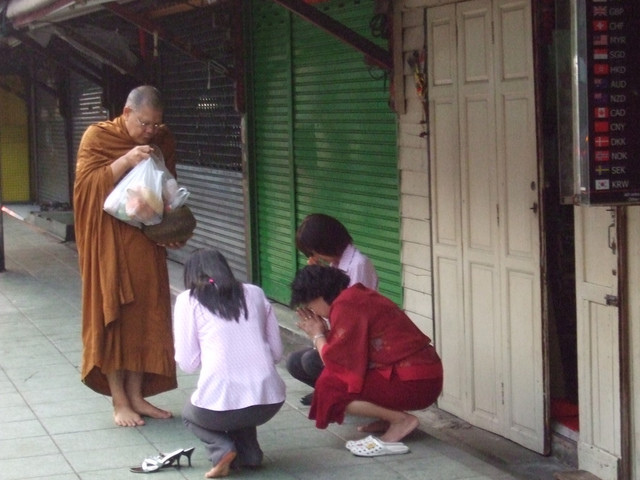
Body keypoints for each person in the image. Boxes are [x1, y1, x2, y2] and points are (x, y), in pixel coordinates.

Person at [74, 85, 184, 427]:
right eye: (144, 123)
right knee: (114, 317)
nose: (150, 130)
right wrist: (125, 161)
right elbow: (84, 189)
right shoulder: (98, 137)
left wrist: (171, 228)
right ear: (126, 113)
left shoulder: (162, 140)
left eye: (156, 124)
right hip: (107, 242)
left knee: (145, 317)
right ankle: (119, 401)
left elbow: (167, 187)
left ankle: (137, 396)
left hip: (144, 242)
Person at [290, 265, 443, 456]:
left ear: (319, 295)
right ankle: (388, 418)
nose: (313, 311)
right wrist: (321, 334)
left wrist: (317, 334)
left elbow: (333, 361)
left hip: (415, 381)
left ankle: (400, 420)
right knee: (325, 375)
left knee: (329, 387)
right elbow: (351, 350)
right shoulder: (354, 296)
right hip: (422, 374)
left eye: (311, 305)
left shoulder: (346, 306)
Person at [174, 249, 286, 478]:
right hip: (269, 401)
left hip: (219, 409)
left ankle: (221, 449)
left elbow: (187, 363)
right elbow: (276, 353)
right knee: (239, 401)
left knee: (189, 413)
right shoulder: (255, 292)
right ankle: (250, 455)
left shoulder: (188, 300)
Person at [287, 213, 378, 406]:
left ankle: (346, 395)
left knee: (311, 361)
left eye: (315, 252)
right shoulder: (334, 264)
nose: (314, 257)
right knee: (294, 362)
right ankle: (328, 391)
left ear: (327, 244)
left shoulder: (358, 264)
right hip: (338, 335)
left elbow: (353, 309)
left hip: (357, 342)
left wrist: (320, 333)